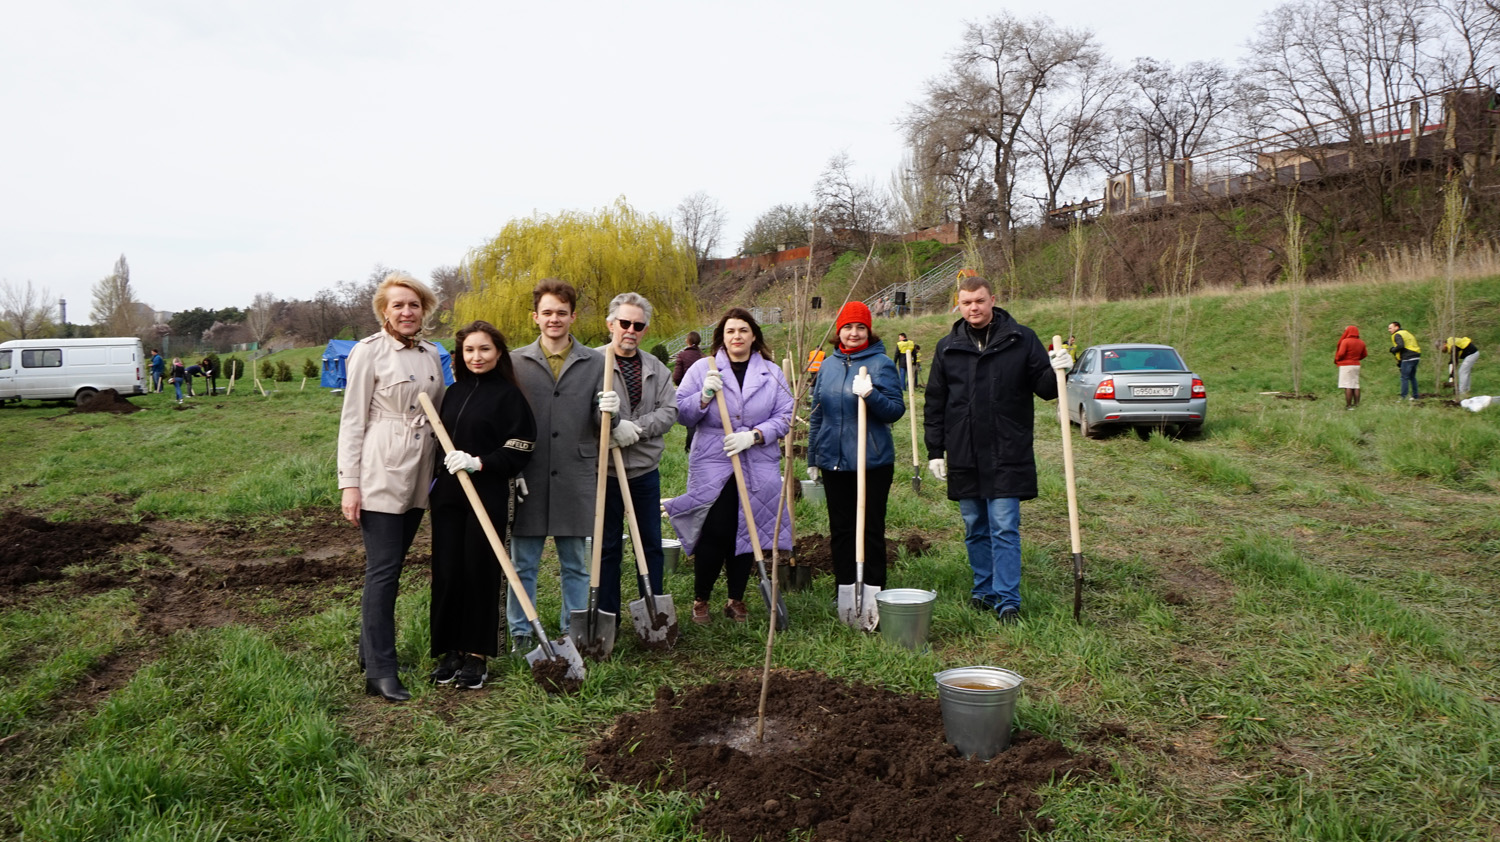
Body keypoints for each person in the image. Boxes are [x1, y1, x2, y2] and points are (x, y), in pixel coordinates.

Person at [924, 274, 1073, 625]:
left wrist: (1061, 369)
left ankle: (1007, 600)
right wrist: (935, 450)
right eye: (966, 302)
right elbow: (935, 402)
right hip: (964, 451)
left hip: (1008, 448)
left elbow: (1046, 389)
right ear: (958, 306)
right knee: (974, 524)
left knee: (1004, 526)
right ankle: (983, 590)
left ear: (993, 299)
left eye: (979, 300)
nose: (973, 308)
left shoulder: (1021, 339)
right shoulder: (948, 347)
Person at [336, 271, 445, 702]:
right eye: (398, 305)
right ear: (384, 311)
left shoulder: (433, 354)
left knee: (396, 563)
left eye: (414, 305)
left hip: (421, 471)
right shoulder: (369, 353)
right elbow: (352, 419)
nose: (406, 312)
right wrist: (350, 484)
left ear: (424, 312)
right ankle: (381, 669)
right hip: (381, 469)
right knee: (383, 571)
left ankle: (368, 649)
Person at [667, 308, 794, 625]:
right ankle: (701, 600)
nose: (737, 336)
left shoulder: (771, 372)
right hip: (714, 458)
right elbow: (681, 413)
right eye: (730, 331)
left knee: (750, 530)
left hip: (757, 459)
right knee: (714, 530)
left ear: (754, 335)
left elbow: (786, 415)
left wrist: (755, 435)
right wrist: (704, 395)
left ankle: (736, 598)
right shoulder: (701, 369)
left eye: (743, 330)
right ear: (721, 337)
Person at [429, 320, 536, 691]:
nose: (476, 356)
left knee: (480, 570)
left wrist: (481, 462)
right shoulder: (452, 393)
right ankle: (450, 649)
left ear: (499, 353)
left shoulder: (509, 396)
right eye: (469, 350)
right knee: (447, 570)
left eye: (484, 349)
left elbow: (523, 445)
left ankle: (477, 654)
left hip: (489, 492)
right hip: (448, 494)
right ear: (459, 355)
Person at [507, 279, 606, 656]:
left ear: (573, 317)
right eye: (547, 312)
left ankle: (574, 628)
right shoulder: (515, 361)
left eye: (561, 313)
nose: (554, 319)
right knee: (523, 562)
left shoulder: (596, 362)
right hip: (528, 473)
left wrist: (608, 411)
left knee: (575, 562)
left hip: (575, 472)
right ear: (535, 317)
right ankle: (521, 632)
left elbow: (607, 421)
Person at [807, 302, 905, 599]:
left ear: (868, 331)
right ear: (839, 331)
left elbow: (895, 411)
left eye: (860, 327)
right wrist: (813, 456)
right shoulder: (828, 365)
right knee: (841, 528)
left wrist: (871, 394)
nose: (854, 333)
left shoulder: (881, 363)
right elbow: (817, 413)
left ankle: (874, 587)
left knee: (871, 528)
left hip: (871, 460)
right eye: (848, 327)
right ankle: (846, 588)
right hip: (834, 460)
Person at [596, 293, 678, 631]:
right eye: (625, 323)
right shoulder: (592, 362)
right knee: (607, 547)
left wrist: (635, 428)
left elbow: (669, 411)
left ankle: (653, 610)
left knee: (651, 545)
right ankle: (607, 618)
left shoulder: (656, 368)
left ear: (644, 329)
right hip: (606, 472)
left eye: (638, 325)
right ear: (611, 324)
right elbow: (582, 410)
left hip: (644, 471)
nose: (631, 330)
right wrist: (612, 426)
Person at [672, 331, 705, 452]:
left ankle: (690, 447)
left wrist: (680, 385)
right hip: (704, 391)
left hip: (688, 390)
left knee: (690, 420)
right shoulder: (704, 356)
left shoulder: (682, 355)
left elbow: (676, 376)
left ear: (688, 341)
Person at [1335, 326, 1368, 410]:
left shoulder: (1345, 341)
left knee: (1347, 385)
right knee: (1355, 385)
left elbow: (1341, 353)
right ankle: (1357, 404)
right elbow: (1364, 354)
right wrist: (1357, 358)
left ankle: (1348, 406)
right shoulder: (1361, 342)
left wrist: (1338, 359)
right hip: (1356, 364)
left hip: (1346, 365)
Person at [1388, 321, 1421, 401]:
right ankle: (1415, 396)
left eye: (1390, 328)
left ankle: (1403, 397)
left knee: (1404, 377)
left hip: (1408, 357)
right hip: (1416, 355)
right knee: (1412, 377)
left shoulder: (1397, 334)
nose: (1389, 330)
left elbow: (1401, 346)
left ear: (1397, 327)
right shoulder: (1406, 333)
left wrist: (1393, 350)